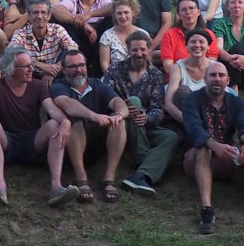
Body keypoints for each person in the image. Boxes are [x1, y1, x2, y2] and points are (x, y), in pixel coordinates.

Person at [0, 47, 80, 207]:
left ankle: (56, 187)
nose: (31, 69)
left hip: (32, 140)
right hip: (6, 141)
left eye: (31, 65)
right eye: (26, 66)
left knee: (55, 124)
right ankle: (0, 187)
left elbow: (51, 108)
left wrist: (65, 122)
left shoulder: (38, 85)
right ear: (11, 68)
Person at [182, 62, 244, 234]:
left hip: (225, 158)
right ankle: (207, 209)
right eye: (213, 75)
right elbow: (194, 129)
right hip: (196, 159)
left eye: (221, 75)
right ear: (205, 79)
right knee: (204, 147)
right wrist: (214, 145)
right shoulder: (191, 100)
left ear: (228, 80)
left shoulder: (236, 102)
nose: (217, 79)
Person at [102, 31, 179, 196]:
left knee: (171, 137)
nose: (139, 53)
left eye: (143, 49)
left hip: (144, 127)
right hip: (119, 124)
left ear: (149, 49)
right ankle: (144, 159)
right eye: (134, 50)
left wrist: (147, 118)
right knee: (134, 101)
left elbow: (158, 109)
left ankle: (141, 174)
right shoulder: (115, 69)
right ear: (128, 50)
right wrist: (121, 108)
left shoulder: (156, 75)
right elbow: (104, 96)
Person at [51, 51, 128, 203]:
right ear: (64, 69)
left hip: (95, 143)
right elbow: (67, 104)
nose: (78, 70)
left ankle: (109, 179)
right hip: (69, 146)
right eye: (73, 66)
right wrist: (94, 116)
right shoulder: (58, 86)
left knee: (119, 123)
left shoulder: (97, 84)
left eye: (81, 65)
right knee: (75, 122)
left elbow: (118, 102)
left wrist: (119, 115)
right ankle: (81, 178)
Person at [52, 0, 112, 75]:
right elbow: (57, 10)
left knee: (113, 19)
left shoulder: (103, 0)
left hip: (100, 42)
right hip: (77, 41)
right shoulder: (72, 1)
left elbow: (114, 7)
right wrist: (83, 24)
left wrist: (89, 15)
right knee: (63, 22)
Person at [9, 0, 78, 86]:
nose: (39, 16)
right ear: (29, 16)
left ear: (49, 16)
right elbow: (10, 52)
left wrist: (54, 70)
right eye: (35, 12)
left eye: (43, 12)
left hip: (56, 76)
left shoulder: (57, 29)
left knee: (68, 54)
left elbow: (73, 48)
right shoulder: (20, 33)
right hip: (30, 76)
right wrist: (41, 66)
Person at [161, 0, 221, 72]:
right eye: (184, 9)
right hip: (177, 77)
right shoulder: (169, 35)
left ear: (199, 12)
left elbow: (211, 64)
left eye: (191, 8)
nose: (188, 12)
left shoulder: (209, 34)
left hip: (203, 77)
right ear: (178, 14)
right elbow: (168, 66)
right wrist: (186, 75)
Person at [211, 0, 244, 89]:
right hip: (227, 64)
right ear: (228, 6)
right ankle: (234, 88)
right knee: (238, 48)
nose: (237, 6)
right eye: (233, 3)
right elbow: (219, 47)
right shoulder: (220, 23)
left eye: (240, 2)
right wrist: (231, 59)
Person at [165, 28, 214, 124]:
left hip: (208, 119)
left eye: (201, 42)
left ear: (208, 46)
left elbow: (224, 98)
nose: (197, 45)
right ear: (186, 46)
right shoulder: (178, 67)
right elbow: (168, 104)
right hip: (184, 117)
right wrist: (191, 123)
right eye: (193, 42)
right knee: (183, 91)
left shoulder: (214, 67)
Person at [99, 0, 145, 72]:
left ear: (133, 13)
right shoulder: (107, 36)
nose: (123, 16)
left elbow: (147, 63)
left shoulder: (143, 34)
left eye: (126, 12)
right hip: (113, 77)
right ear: (114, 15)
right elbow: (104, 66)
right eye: (119, 13)